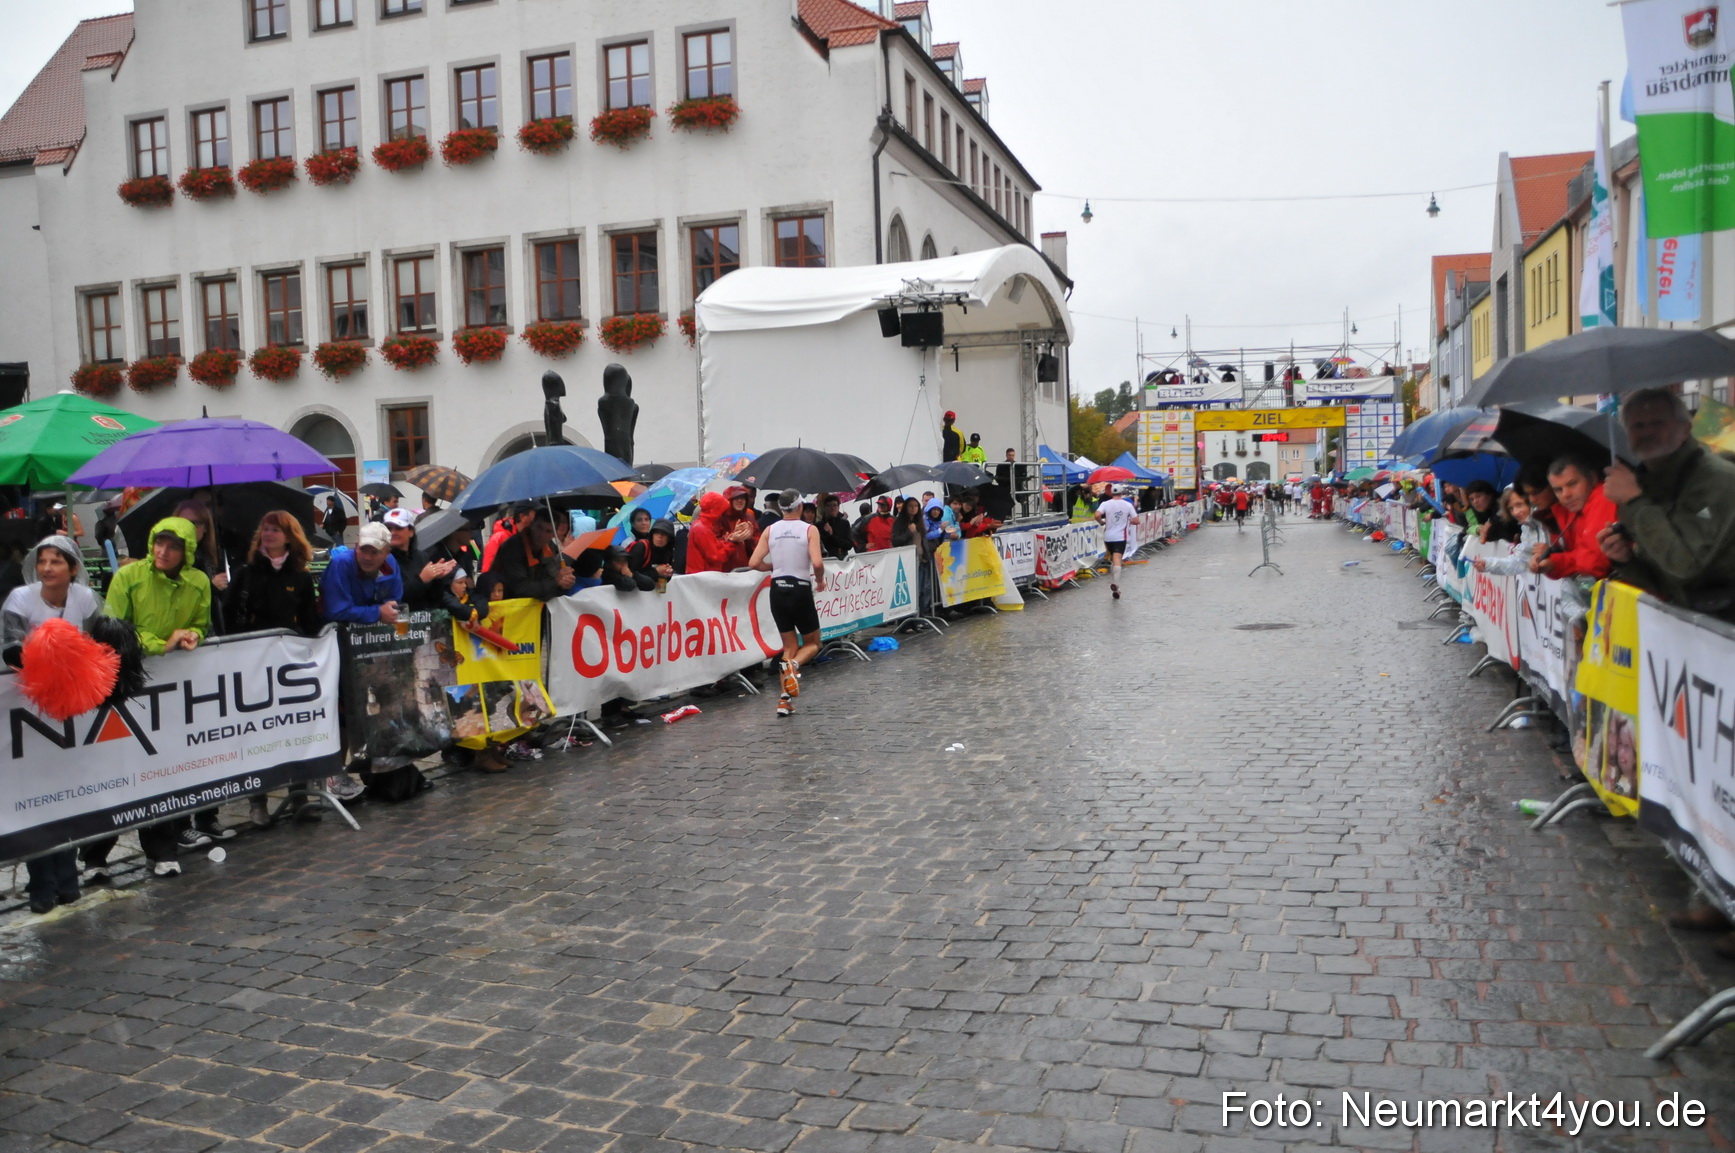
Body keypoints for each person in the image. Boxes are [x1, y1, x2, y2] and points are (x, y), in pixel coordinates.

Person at [92, 517, 213, 877]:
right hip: (126, 687)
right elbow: (113, 631)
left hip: (172, 689)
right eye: (159, 543)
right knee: (119, 769)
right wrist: (163, 645)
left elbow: (201, 624)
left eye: (173, 546)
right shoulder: (128, 577)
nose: (164, 551)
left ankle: (161, 849)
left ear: (187, 551)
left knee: (161, 766)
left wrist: (191, 636)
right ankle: (96, 854)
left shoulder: (198, 582)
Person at [2, 536, 107, 912]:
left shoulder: (86, 601)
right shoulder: (19, 600)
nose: (47, 568)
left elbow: (101, 643)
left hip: (73, 707)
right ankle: (40, 882)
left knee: (69, 787)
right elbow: (10, 646)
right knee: (36, 790)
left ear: (73, 568)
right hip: (30, 706)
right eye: (43, 561)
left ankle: (67, 873)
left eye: (56, 562)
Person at [1596, 387, 1735, 624]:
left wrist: (1634, 501)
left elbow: (1685, 564)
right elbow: (1668, 582)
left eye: (1657, 423)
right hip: (1689, 630)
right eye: (1637, 426)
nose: (1647, 432)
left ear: (1685, 430)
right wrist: (1626, 560)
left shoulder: (1716, 480)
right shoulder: (1648, 483)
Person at [226, 512, 323, 825]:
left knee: (295, 726)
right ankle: (258, 800)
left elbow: (309, 622)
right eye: (265, 529)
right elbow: (228, 617)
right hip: (253, 665)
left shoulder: (300, 577)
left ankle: (299, 795)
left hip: (288, 666)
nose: (268, 534)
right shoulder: (246, 573)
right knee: (258, 731)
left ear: (289, 536)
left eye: (275, 530)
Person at [748, 489, 827, 718]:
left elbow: (754, 562)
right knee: (812, 643)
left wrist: (772, 568)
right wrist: (820, 579)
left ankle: (784, 700)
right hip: (800, 589)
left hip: (778, 590)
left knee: (789, 647)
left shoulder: (770, 530)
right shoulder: (809, 529)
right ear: (800, 507)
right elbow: (818, 562)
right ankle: (794, 667)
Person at [1530, 457, 1614, 581]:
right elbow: (1581, 555)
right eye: (1558, 490)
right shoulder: (1577, 509)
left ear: (1593, 478)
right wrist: (1553, 563)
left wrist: (1557, 561)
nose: (1566, 495)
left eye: (1572, 484)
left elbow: (1594, 564)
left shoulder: (1603, 498)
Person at [489, 510, 575, 600]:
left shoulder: (550, 547)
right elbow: (519, 589)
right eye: (539, 528)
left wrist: (565, 582)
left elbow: (553, 578)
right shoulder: (513, 547)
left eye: (548, 531)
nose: (541, 535)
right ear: (531, 525)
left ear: (554, 534)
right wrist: (555, 582)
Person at [384, 507, 457, 611]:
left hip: (422, 622)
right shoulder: (382, 559)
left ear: (411, 532)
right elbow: (391, 597)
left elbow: (434, 600)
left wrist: (437, 579)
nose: (393, 532)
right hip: (396, 621)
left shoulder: (422, 557)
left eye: (398, 528)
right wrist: (421, 579)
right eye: (389, 529)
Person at [1095, 486, 1136, 600]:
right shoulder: (1127, 505)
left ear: (1111, 493)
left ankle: (1116, 587)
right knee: (1117, 559)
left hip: (1108, 536)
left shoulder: (1105, 504)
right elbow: (1136, 520)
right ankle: (1116, 584)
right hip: (1120, 536)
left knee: (1114, 559)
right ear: (1122, 493)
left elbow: (1097, 515)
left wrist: (1102, 522)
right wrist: (1129, 520)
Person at [686, 493, 739, 574]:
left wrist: (725, 541)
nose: (723, 514)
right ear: (715, 510)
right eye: (721, 510)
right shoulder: (702, 528)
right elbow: (715, 558)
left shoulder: (703, 525)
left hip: (702, 576)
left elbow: (711, 548)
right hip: (703, 578)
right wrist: (731, 543)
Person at [625, 519, 678, 589]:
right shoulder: (641, 547)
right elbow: (629, 573)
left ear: (669, 538)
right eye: (657, 533)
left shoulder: (668, 551)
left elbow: (663, 583)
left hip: (656, 593)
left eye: (664, 534)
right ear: (652, 534)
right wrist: (656, 572)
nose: (660, 537)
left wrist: (667, 574)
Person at [482, 504, 535, 573]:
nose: (536, 518)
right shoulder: (499, 538)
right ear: (523, 516)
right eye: (534, 513)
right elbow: (487, 572)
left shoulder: (528, 537)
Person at [815, 494, 855, 561]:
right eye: (829, 505)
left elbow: (849, 545)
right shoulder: (819, 525)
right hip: (826, 561)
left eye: (834, 505)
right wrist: (826, 534)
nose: (832, 508)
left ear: (838, 507)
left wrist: (832, 535)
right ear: (824, 508)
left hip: (842, 559)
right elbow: (820, 545)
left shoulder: (844, 523)